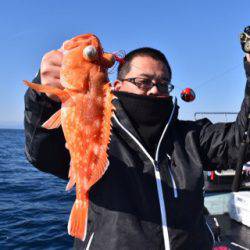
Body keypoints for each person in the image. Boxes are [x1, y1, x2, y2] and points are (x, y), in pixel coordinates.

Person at [24, 46, 250, 250]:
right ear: (117, 86)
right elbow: (42, 152)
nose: (154, 90)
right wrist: (43, 97)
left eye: (162, 84)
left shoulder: (191, 136)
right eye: (143, 81)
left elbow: (240, 142)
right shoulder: (99, 135)